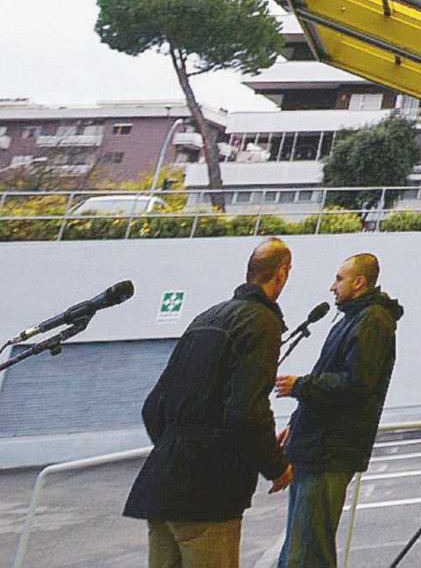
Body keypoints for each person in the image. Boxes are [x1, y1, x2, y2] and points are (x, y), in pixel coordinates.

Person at [123, 239, 295, 568]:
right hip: (209, 493)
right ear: (282, 273)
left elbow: (153, 406)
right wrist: (277, 466)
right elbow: (246, 410)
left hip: (163, 484)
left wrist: (179, 447)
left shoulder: (205, 318)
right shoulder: (261, 322)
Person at [274, 253, 403, 567]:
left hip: (330, 450)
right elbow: (333, 376)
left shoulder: (372, 321)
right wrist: (297, 422)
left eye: (339, 279)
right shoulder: (353, 319)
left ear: (359, 282)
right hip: (317, 447)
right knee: (304, 544)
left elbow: (356, 384)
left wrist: (300, 386)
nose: (332, 287)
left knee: (307, 550)